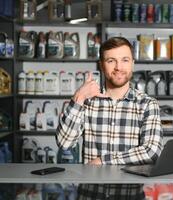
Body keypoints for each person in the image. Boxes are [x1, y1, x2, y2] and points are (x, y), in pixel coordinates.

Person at [56, 37, 163, 200]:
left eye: (125, 60)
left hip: (129, 196)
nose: (119, 67)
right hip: (90, 195)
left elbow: (152, 151)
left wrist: (103, 160)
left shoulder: (147, 104)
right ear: (101, 65)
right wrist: (78, 97)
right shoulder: (87, 100)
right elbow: (64, 143)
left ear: (133, 63)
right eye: (111, 60)